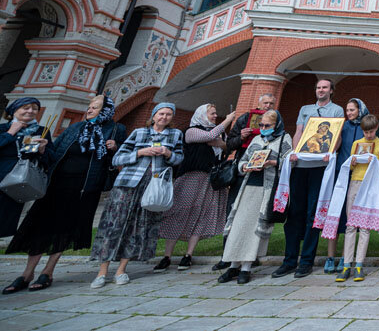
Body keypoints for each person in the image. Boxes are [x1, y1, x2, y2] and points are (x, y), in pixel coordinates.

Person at [4, 94, 126, 294]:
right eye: (89, 106)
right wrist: (43, 149)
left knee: (66, 228)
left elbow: (120, 157)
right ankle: (27, 273)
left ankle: (48, 272)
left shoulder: (115, 130)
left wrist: (115, 148)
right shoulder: (75, 127)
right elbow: (55, 152)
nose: (89, 110)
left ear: (106, 111)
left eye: (95, 107)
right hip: (57, 184)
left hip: (85, 187)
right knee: (40, 227)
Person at [90, 102, 184, 288]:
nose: (164, 117)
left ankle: (121, 269)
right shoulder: (139, 133)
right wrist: (141, 152)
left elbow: (179, 159)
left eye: (168, 114)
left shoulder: (175, 135)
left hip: (153, 185)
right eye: (161, 113)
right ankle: (102, 271)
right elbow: (118, 158)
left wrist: (167, 153)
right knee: (113, 223)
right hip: (128, 183)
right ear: (154, 115)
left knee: (139, 226)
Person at [273, 79, 344, 279]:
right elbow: (299, 132)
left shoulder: (336, 110)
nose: (321, 90)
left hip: (320, 167)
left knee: (313, 212)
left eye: (324, 88)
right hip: (301, 165)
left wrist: (330, 151)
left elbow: (336, 136)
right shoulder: (305, 109)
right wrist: (296, 151)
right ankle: (289, 260)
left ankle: (306, 261)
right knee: (294, 212)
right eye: (318, 87)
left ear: (331, 91)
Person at [155, 104, 239, 271]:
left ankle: (188, 255)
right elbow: (209, 136)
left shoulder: (218, 131)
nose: (215, 116)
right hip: (191, 177)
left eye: (216, 113)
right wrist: (228, 120)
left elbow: (227, 146)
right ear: (202, 114)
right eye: (212, 113)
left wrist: (220, 142)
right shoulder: (191, 130)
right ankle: (167, 256)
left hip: (210, 180)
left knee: (201, 215)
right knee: (179, 212)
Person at [219, 109, 291, 284]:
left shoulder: (284, 139)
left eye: (267, 125)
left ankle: (246, 268)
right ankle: (233, 266)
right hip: (248, 187)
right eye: (261, 125)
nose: (263, 128)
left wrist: (273, 162)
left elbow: (290, 160)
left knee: (254, 229)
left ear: (276, 125)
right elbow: (243, 160)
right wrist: (245, 167)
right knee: (238, 226)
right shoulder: (257, 140)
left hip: (266, 189)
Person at [214, 92, 277, 272]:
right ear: (259, 104)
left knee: (255, 216)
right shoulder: (245, 119)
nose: (268, 106)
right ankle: (227, 256)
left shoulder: (274, 123)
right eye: (265, 103)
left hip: (262, 176)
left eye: (271, 103)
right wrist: (240, 136)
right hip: (242, 171)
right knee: (234, 211)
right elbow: (229, 144)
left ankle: (251, 255)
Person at [335, 113, 379, 283]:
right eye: (365, 132)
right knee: (351, 225)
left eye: (371, 132)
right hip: (355, 182)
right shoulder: (357, 144)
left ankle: (359, 264)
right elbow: (350, 165)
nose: (368, 135)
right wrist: (353, 162)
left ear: (376, 129)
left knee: (364, 227)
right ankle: (346, 264)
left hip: (370, 185)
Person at [0, 97, 53, 244]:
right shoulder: (3, 128)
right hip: (2, 175)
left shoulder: (41, 131)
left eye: (34, 108)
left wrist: (43, 150)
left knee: (6, 219)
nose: (30, 111)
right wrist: (10, 133)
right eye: (26, 107)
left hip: (19, 182)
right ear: (14, 110)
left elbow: (51, 157)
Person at [323, 97, 367, 274]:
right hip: (340, 173)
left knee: (350, 217)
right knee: (335, 213)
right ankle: (330, 256)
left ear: (360, 110)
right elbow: (334, 144)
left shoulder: (365, 128)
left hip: (356, 175)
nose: (349, 113)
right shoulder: (342, 126)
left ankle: (344, 257)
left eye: (352, 110)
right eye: (347, 110)